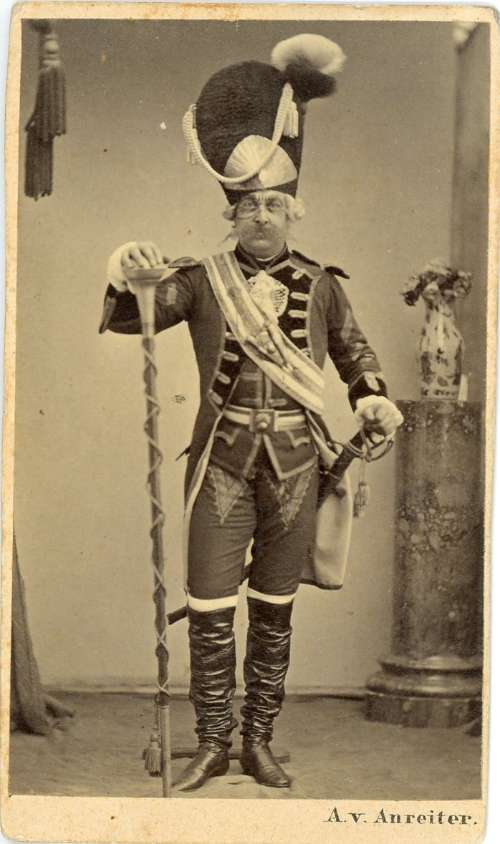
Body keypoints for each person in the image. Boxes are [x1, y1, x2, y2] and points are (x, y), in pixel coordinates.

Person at [99, 34, 403, 792]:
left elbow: (355, 353)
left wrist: (371, 396)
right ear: (231, 214)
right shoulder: (200, 280)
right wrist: (129, 271)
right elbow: (134, 316)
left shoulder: (322, 283)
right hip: (222, 467)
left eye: (273, 205)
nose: (261, 216)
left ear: (291, 212)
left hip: (298, 468)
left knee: (273, 608)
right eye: (248, 207)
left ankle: (258, 742)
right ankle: (210, 744)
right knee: (209, 607)